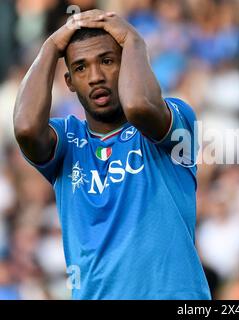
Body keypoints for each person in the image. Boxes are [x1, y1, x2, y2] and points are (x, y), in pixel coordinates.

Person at [13, 9, 211, 300]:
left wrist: (133, 41)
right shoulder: (67, 141)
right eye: (80, 68)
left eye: (107, 61)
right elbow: (26, 128)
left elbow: (139, 106)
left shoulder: (175, 119)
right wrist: (50, 46)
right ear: (68, 82)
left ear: (127, 64)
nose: (95, 77)